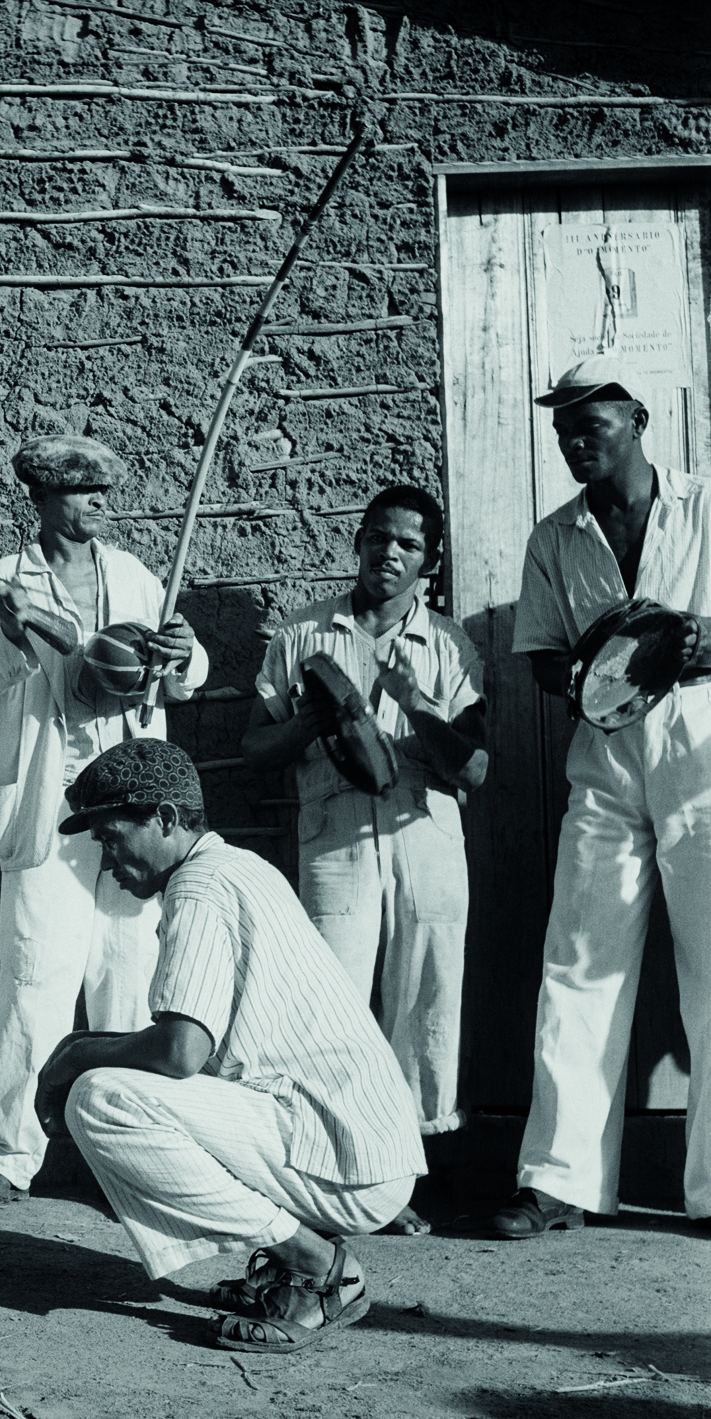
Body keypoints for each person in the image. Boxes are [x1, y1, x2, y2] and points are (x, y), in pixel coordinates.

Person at [36, 738, 426, 1352]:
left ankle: (314, 1265)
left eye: (110, 836)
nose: (105, 859)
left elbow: (179, 1052)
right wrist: (79, 1043)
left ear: (165, 818)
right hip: (356, 1146)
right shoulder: (236, 866)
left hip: (340, 1154)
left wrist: (73, 1057)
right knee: (112, 1079)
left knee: (100, 1098)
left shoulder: (198, 889)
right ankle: (289, 1262)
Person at [0, 436, 209, 1210]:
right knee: (36, 978)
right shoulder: (1, 582)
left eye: (103, 491)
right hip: (47, 804)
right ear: (44, 497)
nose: (99, 503)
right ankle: (7, 1155)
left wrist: (184, 654)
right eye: (84, 491)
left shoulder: (129, 576)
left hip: (128, 809)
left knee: (129, 975)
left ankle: (133, 1157)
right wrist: (12, 639)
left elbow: (185, 677)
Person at [492, 356, 711, 1238]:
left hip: (703, 761)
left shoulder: (703, 507)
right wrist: (593, 674)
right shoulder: (556, 538)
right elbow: (543, 655)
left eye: (594, 423)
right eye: (563, 429)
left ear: (640, 421)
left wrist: (697, 645)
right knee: (580, 963)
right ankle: (560, 1181)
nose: (576, 439)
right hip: (608, 764)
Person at [240, 486, 488, 1234]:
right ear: (358, 541)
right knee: (332, 1003)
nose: (391, 553)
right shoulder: (302, 636)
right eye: (380, 537)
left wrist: (417, 705)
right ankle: (336, 1170)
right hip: (335, 836)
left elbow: (473, 770)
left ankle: (397, 1179)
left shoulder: (449, 646)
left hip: (426, 839)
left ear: (430, 562)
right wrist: (309, 726)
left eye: (410, 546)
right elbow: (254, 750)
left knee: (423, 1004)